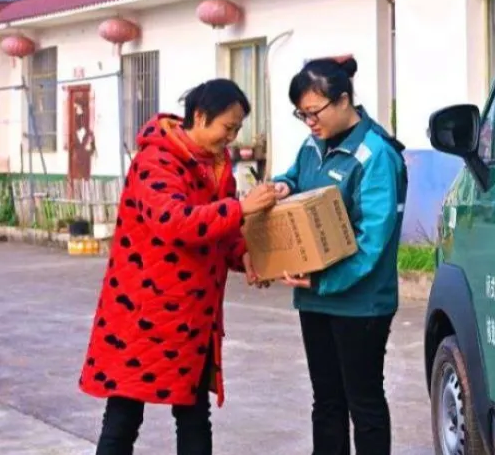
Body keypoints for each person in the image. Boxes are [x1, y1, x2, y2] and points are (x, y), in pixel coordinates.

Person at [80, 78, 278, 455]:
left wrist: (245, 256)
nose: (231, 137)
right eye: (227, 127)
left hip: (194, 315)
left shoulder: (217, 166)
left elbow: (220, 231)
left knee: (193, 414)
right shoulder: (155, 160)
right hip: (143, 312)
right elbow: (176, 221)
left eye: (237, 129)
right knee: (124, 414)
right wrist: (242, 208)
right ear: (200, 117)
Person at [273, 57, 408, 455]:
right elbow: (296, 176)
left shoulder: (376, 155)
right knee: (326, 400)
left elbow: (372, 244)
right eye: (302, 114)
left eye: (314, 112)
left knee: (362, 402)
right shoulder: (313, 145)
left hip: (360, 304)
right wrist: (282, 186)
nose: (309, 122)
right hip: (315, 299)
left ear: (344, 99)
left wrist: (323, 280)